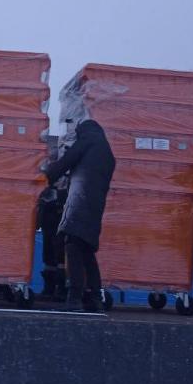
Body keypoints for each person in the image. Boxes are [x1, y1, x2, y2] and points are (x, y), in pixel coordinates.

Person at [43, 119, 116, 312]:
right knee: (86, 250)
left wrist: (46, 177)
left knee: (73, 245)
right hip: (95, 207)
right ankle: (94, 298)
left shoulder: (88, 141)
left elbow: (67, 161)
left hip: (80, 202)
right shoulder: (107, 152)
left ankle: (74, 298)